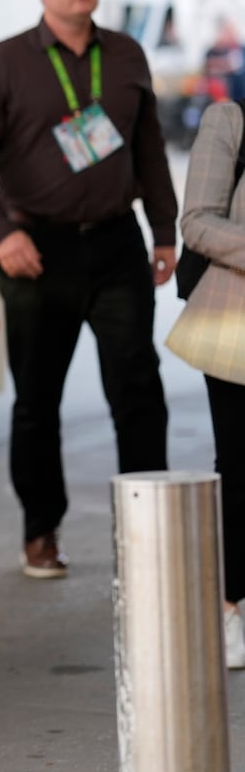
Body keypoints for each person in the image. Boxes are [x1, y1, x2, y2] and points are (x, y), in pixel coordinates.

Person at [0, 0, 177, 580]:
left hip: (115, 243)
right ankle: (41, 531)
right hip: (35, 251)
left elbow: (150, 148)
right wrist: (1, 232)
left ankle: (149, 520)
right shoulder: (2, 64)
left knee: (138, 386)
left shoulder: (126, 54)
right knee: (38, 400)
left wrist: (164, 230)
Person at [165, 99, 245, 668]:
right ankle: (231, 607)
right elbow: (196, 223)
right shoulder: (231, 121)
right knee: (241, 469)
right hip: (238, 324)